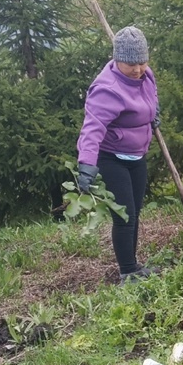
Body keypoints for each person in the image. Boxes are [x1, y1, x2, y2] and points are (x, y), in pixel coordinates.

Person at [76, 26, 159, 285]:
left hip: (137, 155)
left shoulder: (146, 76)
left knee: (135, 212)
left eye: (142, 62)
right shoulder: (106, 89)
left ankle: (133, 265)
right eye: (130, 64)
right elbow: (93, 128)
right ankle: (126, 272)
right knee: (125, 216)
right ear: (117, 60)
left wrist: (153, 113)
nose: (137, 69)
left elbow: (150, 98)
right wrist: (86, 164)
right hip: (111, 157)